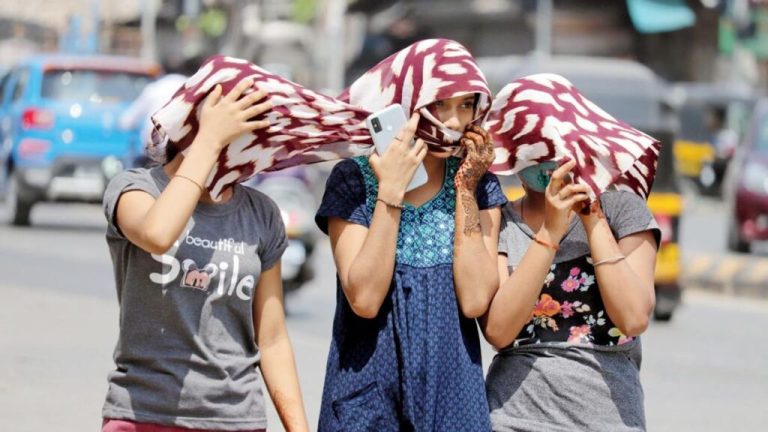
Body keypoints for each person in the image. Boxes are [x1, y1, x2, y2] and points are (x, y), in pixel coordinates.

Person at [315, 39, 507, 431]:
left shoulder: (477, 185)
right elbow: (365, 298)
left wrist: (466, 188)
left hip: (453, 401)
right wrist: (391, 192)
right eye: (440, 104)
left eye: (465, 105)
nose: (453, 122)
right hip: (366, 400)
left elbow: (474, 299)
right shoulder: (353, 180)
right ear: (406, 103)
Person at [101, 77, 309, 432]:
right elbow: (157, 234)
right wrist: (208, 142)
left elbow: (272, 339)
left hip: (237, 418)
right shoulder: (135, 189)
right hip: (144, 414)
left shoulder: (261, 213)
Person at [482, 74, 661, 431]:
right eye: (535, 146)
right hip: (514, 418)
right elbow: (499, 331)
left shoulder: (622, 211)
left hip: (610, 419)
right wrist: (550, 232)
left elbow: (633, 316)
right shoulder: (499, 220)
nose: (550, 160)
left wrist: (591, 217)